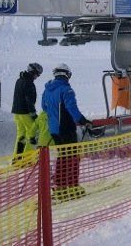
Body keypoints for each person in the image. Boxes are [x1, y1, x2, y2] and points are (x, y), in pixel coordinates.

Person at [41, 63, 92, 201]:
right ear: (66, 75)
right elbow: (72, 108)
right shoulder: (66, 90)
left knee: (62, 157)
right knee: (73, 157)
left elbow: (44, 108)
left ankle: (61, 187)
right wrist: (82, 120)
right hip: (66, 129)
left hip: (54, 130)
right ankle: (72, 186)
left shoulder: (47, 91)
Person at [11, 62, 43, 156]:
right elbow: (29, 100)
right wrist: (33, 115)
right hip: (25, 113)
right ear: (33, 72)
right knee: (32, 133)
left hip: (17, 112)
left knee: (21, 135)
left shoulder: (19, 80)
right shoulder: (29, 83)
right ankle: (27, 158)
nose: (37, 77)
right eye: (37, 74)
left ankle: (16, 158)